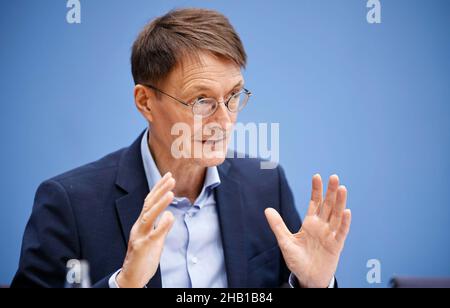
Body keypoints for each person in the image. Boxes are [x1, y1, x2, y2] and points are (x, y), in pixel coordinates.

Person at [12, 8, 351, 288]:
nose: (225, 120)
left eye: (233, 96)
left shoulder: (266, 186)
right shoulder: (69, 204)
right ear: (146, 102)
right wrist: (125, 284)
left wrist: (313, 285)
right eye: (201, 100)